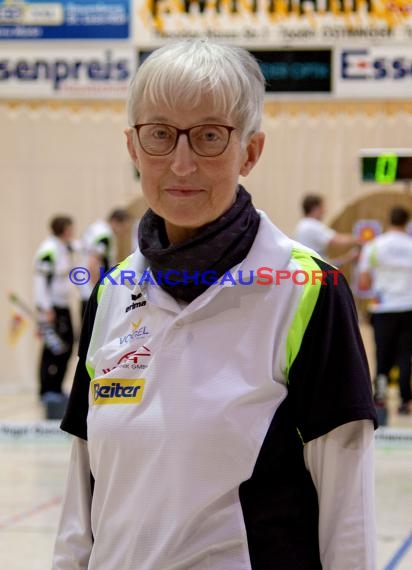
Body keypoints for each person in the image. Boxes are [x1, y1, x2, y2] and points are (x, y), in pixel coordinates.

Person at [53, 40, 377, 570]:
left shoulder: (309, 290)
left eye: (209, 136)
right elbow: (81, 499)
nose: (181, 163)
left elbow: (349, 513)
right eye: (159, 134)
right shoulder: (111, 291)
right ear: (133, 148)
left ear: (250, 151)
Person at [358, 205, 412, 418]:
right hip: (409, 307)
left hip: (383, 308)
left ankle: (379, 397)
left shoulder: (374, 246)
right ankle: (405, 400)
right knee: (405, 355)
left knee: (383, 353)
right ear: (406, 221)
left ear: (389, 220)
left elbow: (363, 281)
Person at [34, 215, 75, 404]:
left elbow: (81, 246)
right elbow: (40, 280)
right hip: (51, 308)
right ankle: (47, 391)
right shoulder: (48, 250)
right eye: (70, 228)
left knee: (66, 347)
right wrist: (45, 308)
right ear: (64, 229)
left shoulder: (62, 246)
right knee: (52, 348)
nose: (73, 232)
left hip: (62, 306)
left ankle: (57, 388)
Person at [79, 208, 132, 317]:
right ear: (116, 222)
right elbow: (92, 264)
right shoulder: (104, 236)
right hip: (93, 293)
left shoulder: (96, 228)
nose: (123, 234)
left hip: (85, 289)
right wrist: (99, 290)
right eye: (124, 229)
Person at [294, 194, 361, 266]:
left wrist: (348, 258)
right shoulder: (312, 226)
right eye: (322, 207)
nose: (325, 211)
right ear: (315, 208)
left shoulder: (301, 225)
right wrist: (360, 239)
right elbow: (337, 240)